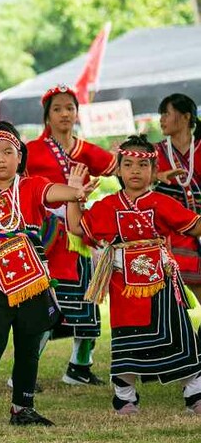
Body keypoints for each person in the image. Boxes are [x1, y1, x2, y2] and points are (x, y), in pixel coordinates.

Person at [0, 122, 92, 427]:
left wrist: (76, 191)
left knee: (29, 346)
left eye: (8, 152)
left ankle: (22, 408)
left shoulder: (32, 186)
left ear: (20, 157)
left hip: (33, 279)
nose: (1, 158)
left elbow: (58, 192)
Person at [67, 135, 201, 415]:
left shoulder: (162, 202)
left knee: (178, 334)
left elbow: (194, 226)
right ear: (117, 170)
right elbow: (77, 227)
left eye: (142, 166)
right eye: (128, 164)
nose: (135, 171)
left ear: (154, 172)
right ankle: (124, 395)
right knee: (126, 337)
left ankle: (195, 392)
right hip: (122, 284)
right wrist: (74, 194)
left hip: (161, 282)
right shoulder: (108, 205)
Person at [23, 85, 116, 387]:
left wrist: (153, 168)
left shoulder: (86, 150)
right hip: (48, 236)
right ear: (47, 116)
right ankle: (25, 370)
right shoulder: (31, 150)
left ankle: (80, 366)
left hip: (81, 233)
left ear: (77, 113)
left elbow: (126, 167)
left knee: (88, 299)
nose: (65, 114)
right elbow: (8, 175)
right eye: (58, 109)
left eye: (70, 108)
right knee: (48, 302)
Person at [155, 93, 201, 303]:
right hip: (173, 232)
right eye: (161, 114)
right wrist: (157, 176)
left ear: (185, 117)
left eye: (166, 113)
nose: (161, 119)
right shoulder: (155, 153)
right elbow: (131, 177)